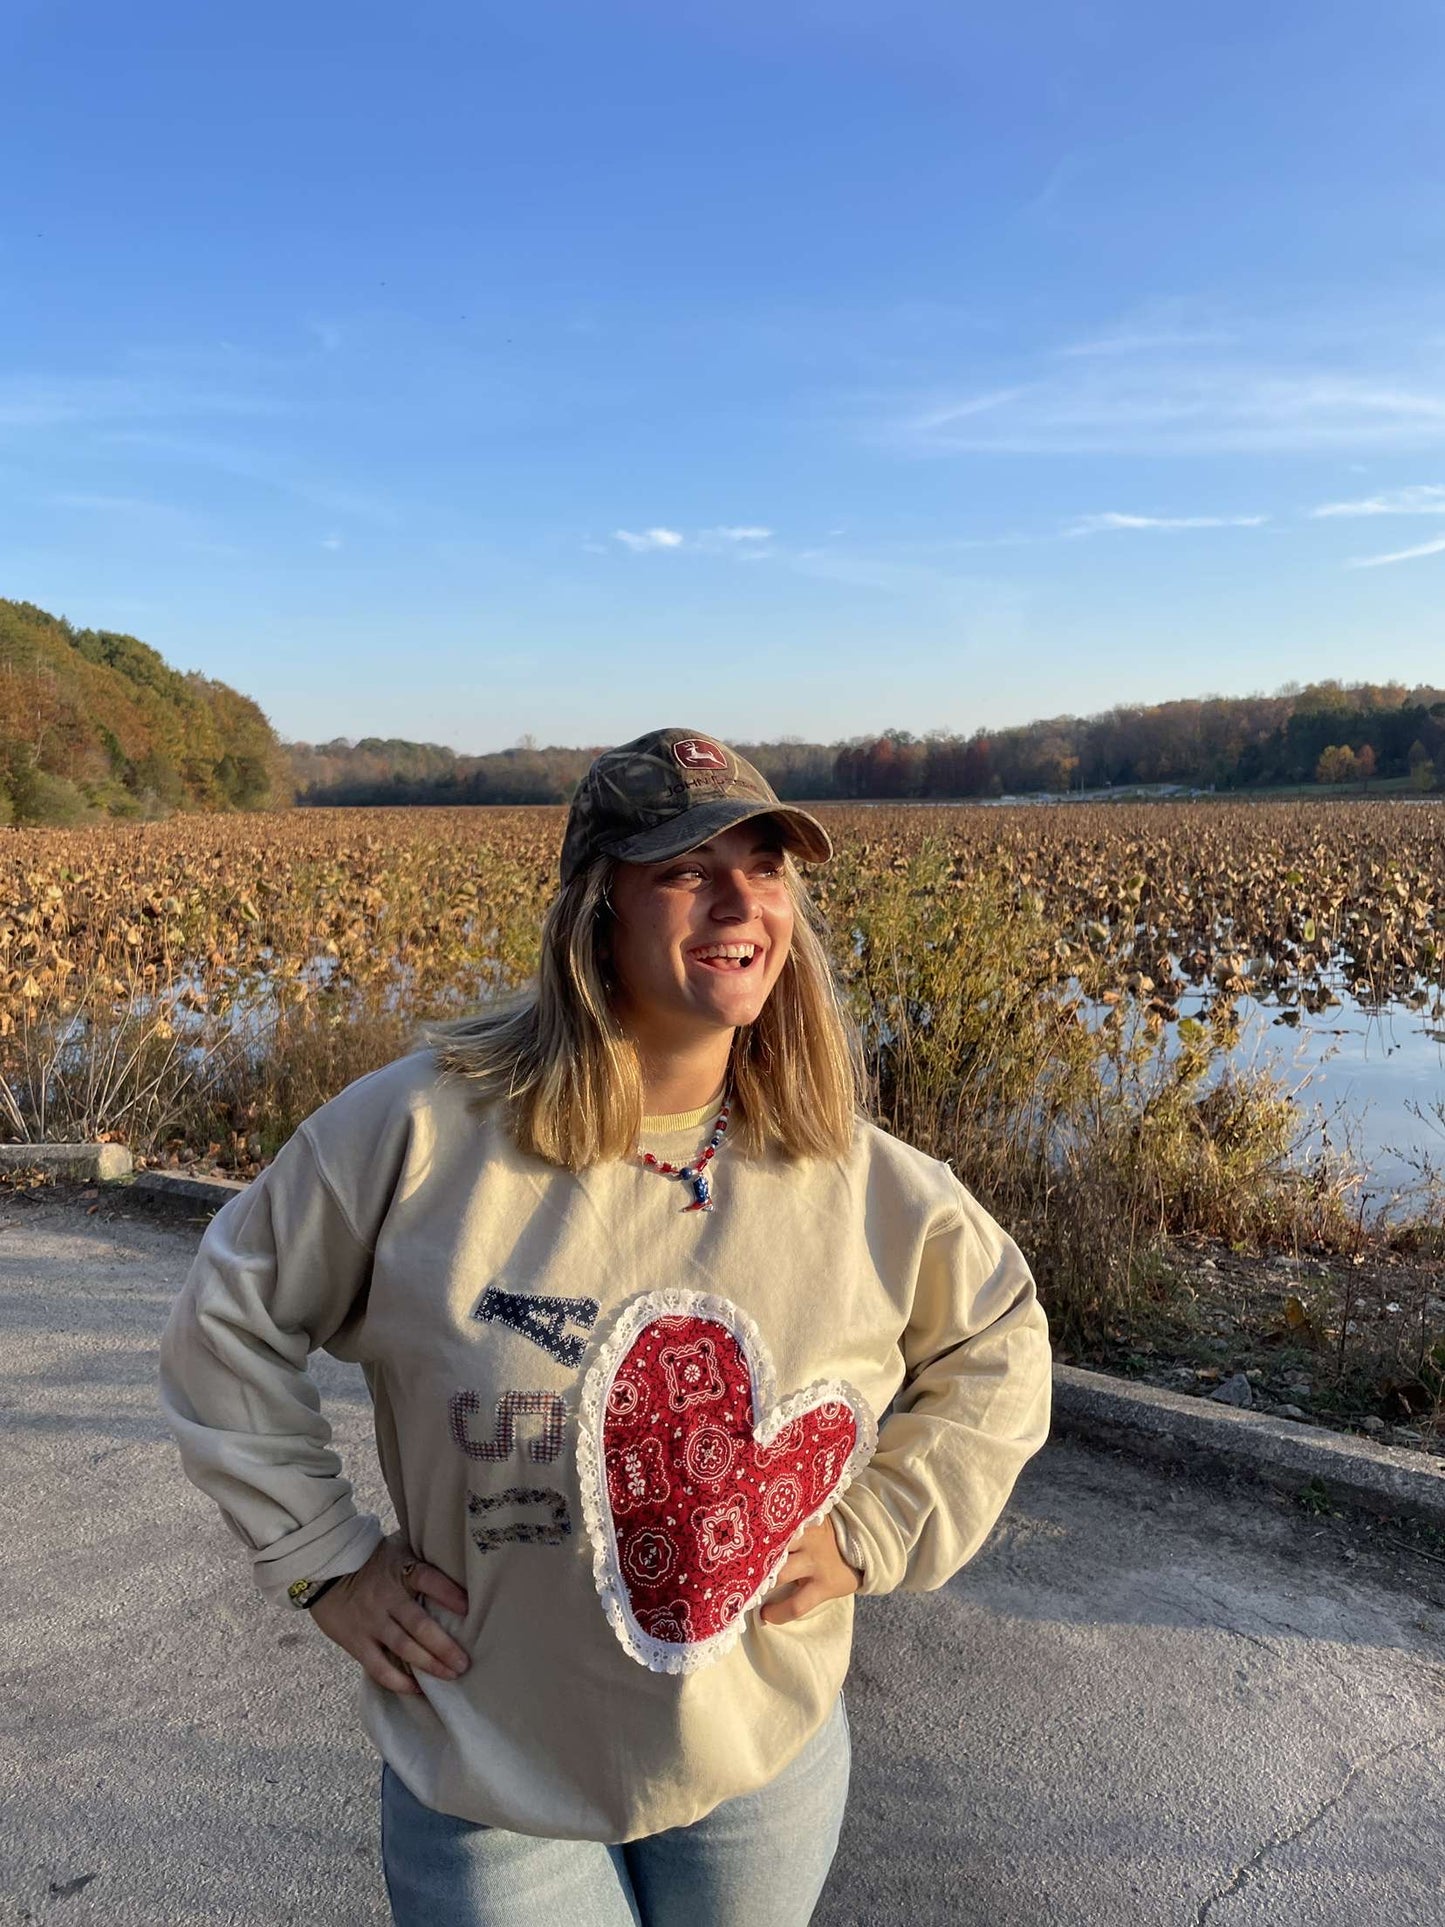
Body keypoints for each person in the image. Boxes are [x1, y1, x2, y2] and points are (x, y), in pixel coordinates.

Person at [158, 725, 1052, 1927]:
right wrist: (325, 1560)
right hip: (491, 1778)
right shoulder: (415, 1138)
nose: (741, 898)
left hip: (759, 1763)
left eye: (766, 864)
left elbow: (997, 1336)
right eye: (687, 867)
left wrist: (880, 1526)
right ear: (598, 907)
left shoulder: (862, 1178)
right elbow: (229, 1321)